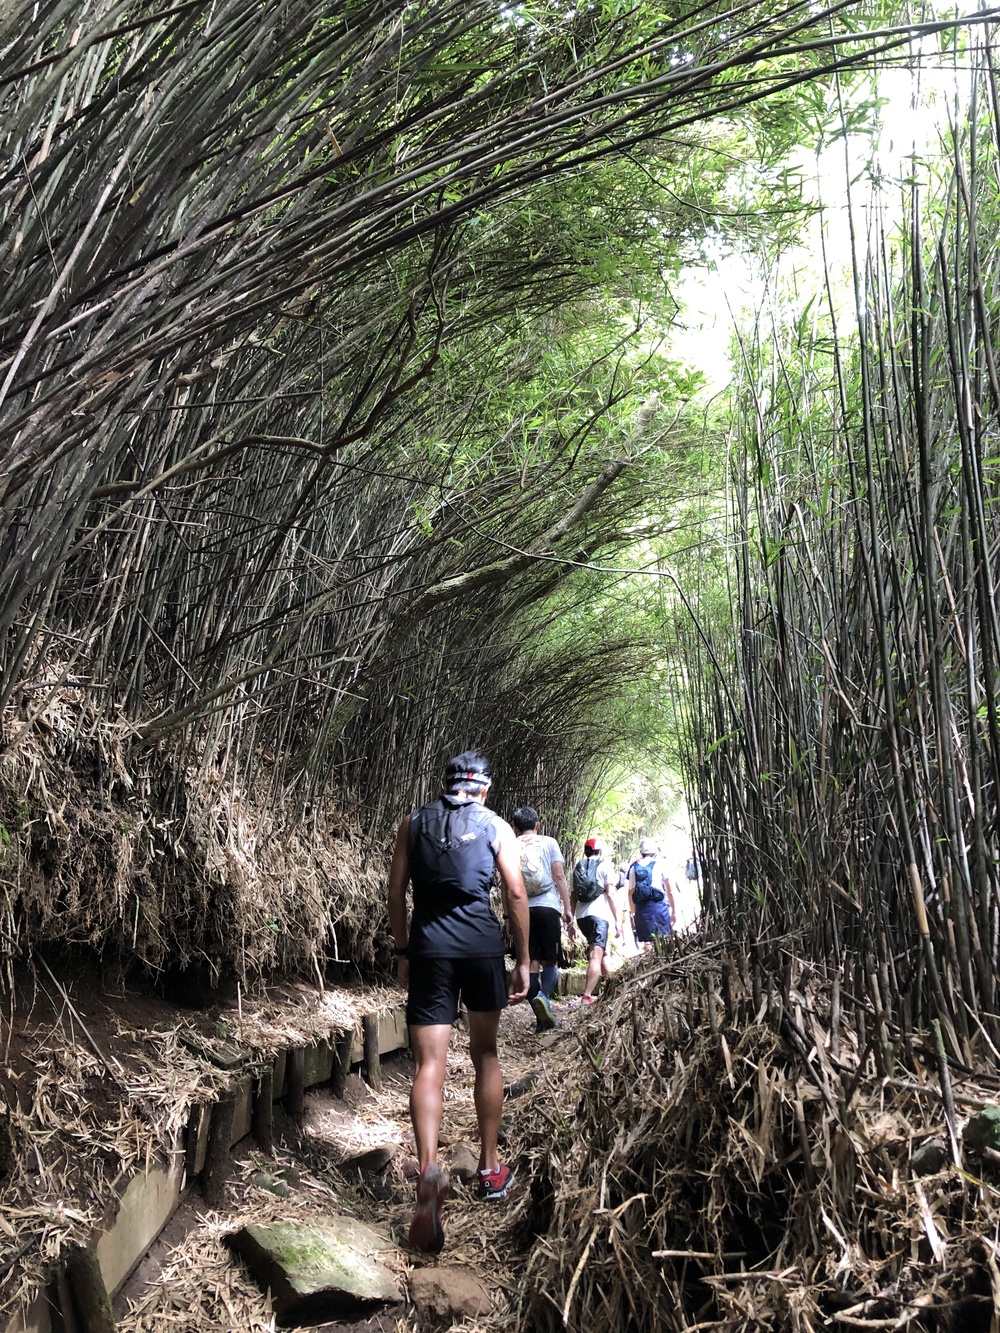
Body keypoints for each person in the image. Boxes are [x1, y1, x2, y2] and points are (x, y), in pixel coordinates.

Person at [387, 750, 531, 1254]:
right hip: (480, 948)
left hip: (430, 949)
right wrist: (524, 959)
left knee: (429, 1064)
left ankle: (429, 1168)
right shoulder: (497, 826)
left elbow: (395, 891)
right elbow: (515, 893)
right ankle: (490, 1170)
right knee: (486, 1054)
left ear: (445, 783)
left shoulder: (413, 822)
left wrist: (403, 950)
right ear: (484, 789)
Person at [511, 806, 574, 1033]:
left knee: (530, 961)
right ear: (537, 824)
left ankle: (540, 1010)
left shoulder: (512, 844)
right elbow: (559, 875)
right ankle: (544, 1000)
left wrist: (508, 916)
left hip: (522, 909)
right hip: (548, 906)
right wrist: (568, 908)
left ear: (515, 827)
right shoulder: (549, 842)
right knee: (551, 960)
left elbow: (507, 883)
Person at [570, 837, 620, 1003]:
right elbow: (610, 894)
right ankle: (587, 996)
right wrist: (618, 920)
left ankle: (612, 988)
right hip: (599, 916)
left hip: (582, 917)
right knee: (595, 955)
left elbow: (572, 897)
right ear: (600, 851)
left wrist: (570, 922)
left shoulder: (578, 868)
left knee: (603, 951)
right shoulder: (605, 866)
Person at [628, 837, 677, 947]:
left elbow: (630, 893)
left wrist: (633, 913)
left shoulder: (633, 868)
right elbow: (670, 891)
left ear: (641, 853)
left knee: (648, 942)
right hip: (659, 908)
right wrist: (673, 911)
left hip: (641, 910)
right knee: (663, 940)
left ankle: (650, 957)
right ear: (655, 853)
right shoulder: (661, 865)